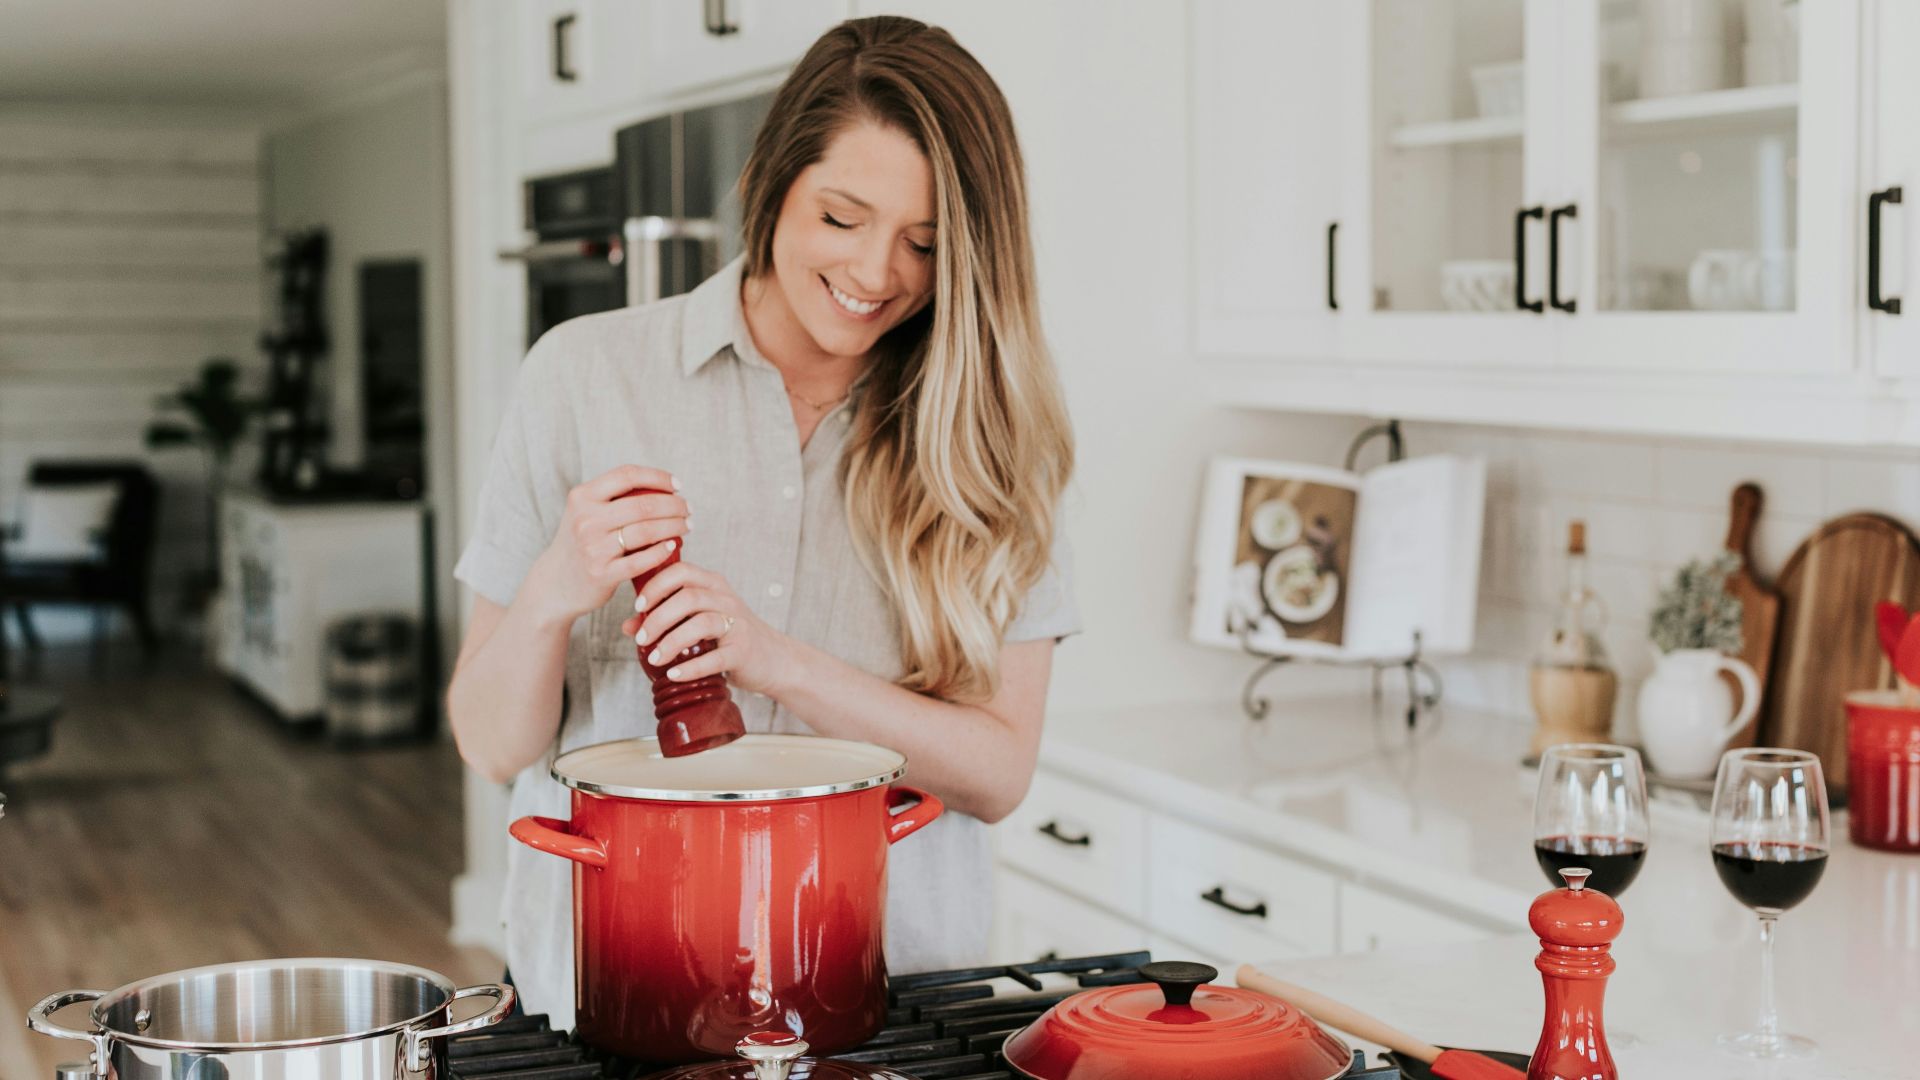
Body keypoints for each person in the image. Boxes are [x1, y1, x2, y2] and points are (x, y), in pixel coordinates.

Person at [447, 15, 1078, 1026]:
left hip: (890, 1001)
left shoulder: (992, 437)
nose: (878, 272)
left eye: (924, 243)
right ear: (770, 186)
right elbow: (486, 741)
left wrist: (773, 660)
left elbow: (999, 773)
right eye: (842, 216)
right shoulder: (583, 374)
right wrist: (551, 594)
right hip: (615, 991)